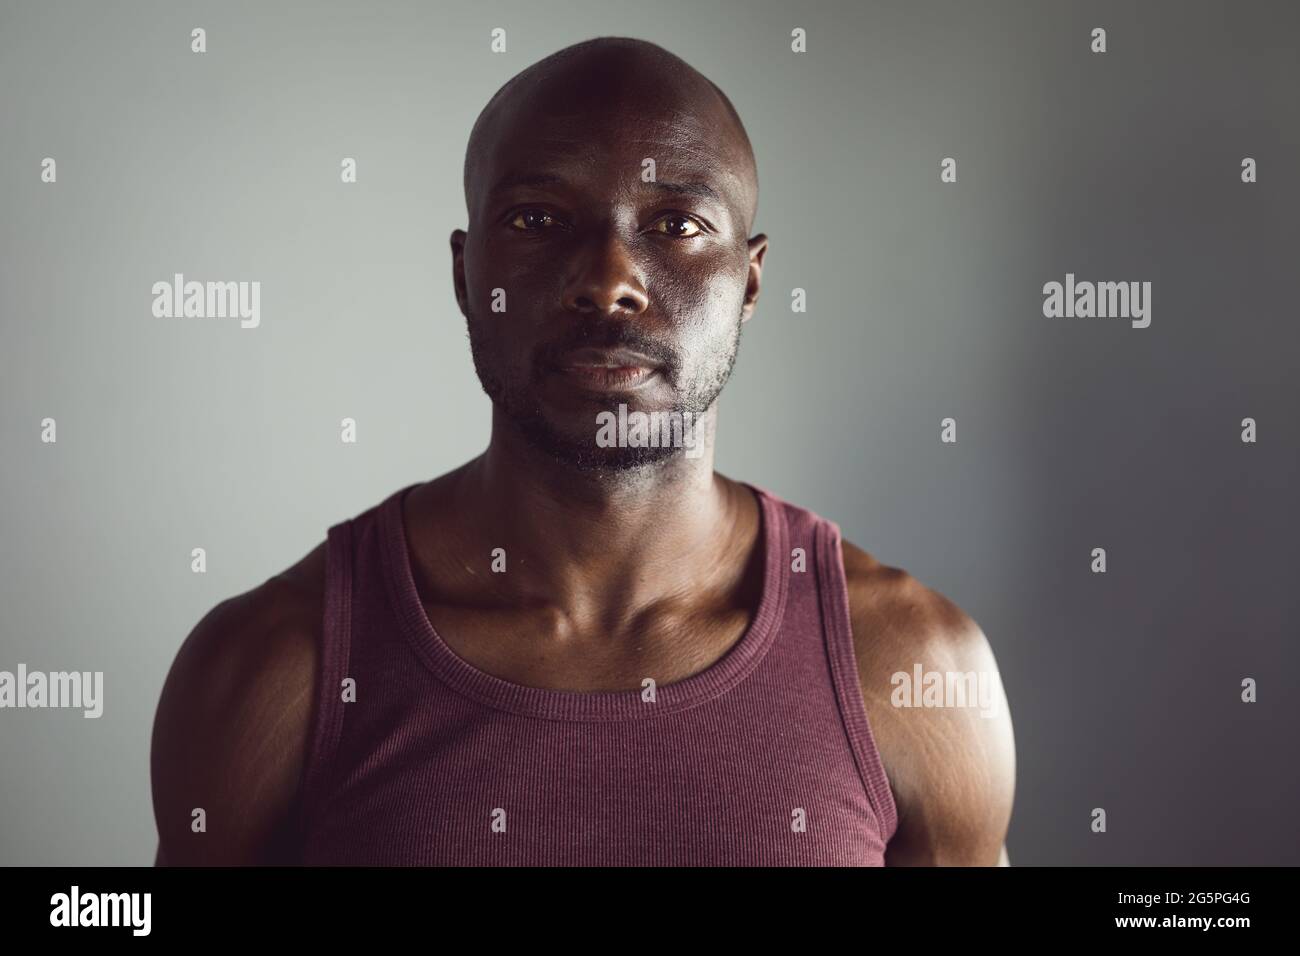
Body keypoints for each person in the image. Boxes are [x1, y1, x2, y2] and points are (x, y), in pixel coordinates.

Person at [151, 36, 1015, 866]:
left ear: (748, 283)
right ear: (465, 277)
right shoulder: (276, 664)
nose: (609, 279)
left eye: (676, 224)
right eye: (538, 218)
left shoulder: (912, 667)